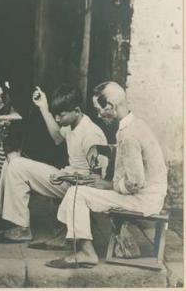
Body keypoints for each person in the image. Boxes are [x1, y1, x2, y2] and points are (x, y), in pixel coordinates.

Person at [47, 81, 168, 269]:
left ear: (110, 106)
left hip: (143, 199)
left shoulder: (128, 135)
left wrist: (107, 184)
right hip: (150, 194)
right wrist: (106, 149)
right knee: (79, 191)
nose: (98, 114)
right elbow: (131, 155)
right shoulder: (135, 124)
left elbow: (135, 183)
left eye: (99, 109)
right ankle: (76, 242)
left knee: (76, 193)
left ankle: (86, 252)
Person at [0, 84, 107, 244]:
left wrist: (67, 176)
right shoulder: (74, 124)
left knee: (17, 166)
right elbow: (58, 137)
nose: (58, 119)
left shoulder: (91, 134)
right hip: (67, 176)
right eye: (56, 115)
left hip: (77, 185)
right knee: (11, 162)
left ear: (77, 111)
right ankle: (8, 218)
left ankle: (21, 229)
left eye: (61, 115)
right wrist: (43, 107)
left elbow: (96, 179)